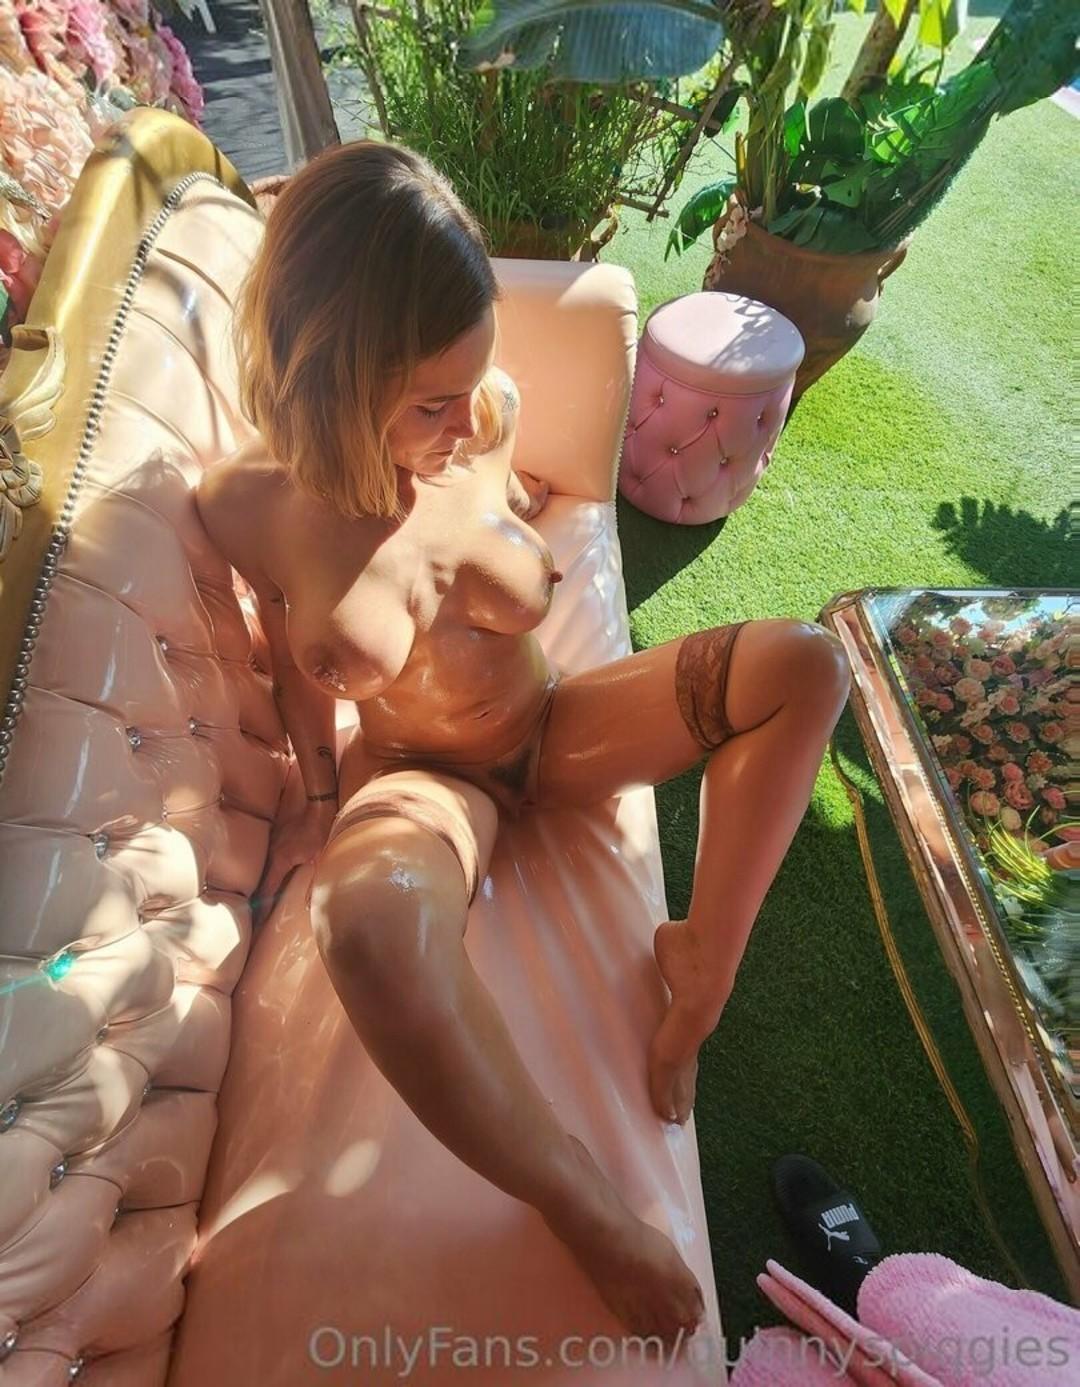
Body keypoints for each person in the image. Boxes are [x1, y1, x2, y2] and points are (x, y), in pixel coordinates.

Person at [193, 138, 852, 1346]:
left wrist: (519, 505)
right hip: (426, 782)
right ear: (332, 380)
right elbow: (288, 654)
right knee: (366, 925)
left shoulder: (484, 416)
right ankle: (579, 1201)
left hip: (555, 725)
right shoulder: (252, 507)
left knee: (808, 666)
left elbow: (498, 482)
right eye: (428, 403)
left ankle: (699, 971)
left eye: (472, 382)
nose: (467, 419)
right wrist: (312, 797)